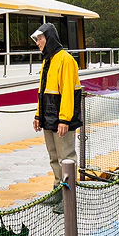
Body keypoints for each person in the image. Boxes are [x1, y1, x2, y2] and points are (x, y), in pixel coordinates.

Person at [31, 23, 82, 215]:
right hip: (48, 118)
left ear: (49, 38)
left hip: (61, 120)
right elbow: (42, 91)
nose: (38, 43)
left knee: (66, 158)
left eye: (40, 39)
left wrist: (64, 120)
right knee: (54, 157)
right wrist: (38, 115)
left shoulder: (65, 60)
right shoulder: (48, 60)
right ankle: (57, 190)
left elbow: (68, 92)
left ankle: (68, 196)